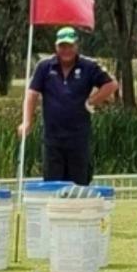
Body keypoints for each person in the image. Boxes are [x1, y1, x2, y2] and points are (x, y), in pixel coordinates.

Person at [19, 25, 118, 185]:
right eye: (62, 46)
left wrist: (91, 101)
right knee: (53, 185)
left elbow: (111, 85)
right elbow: (32, 94)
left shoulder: (89, 66)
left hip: (78, 138)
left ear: (76, 45)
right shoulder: (44, 67)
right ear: (56, 46)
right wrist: (27, 121)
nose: (66, 50)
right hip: (52, 139)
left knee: (79, 184)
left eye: (70, 46)